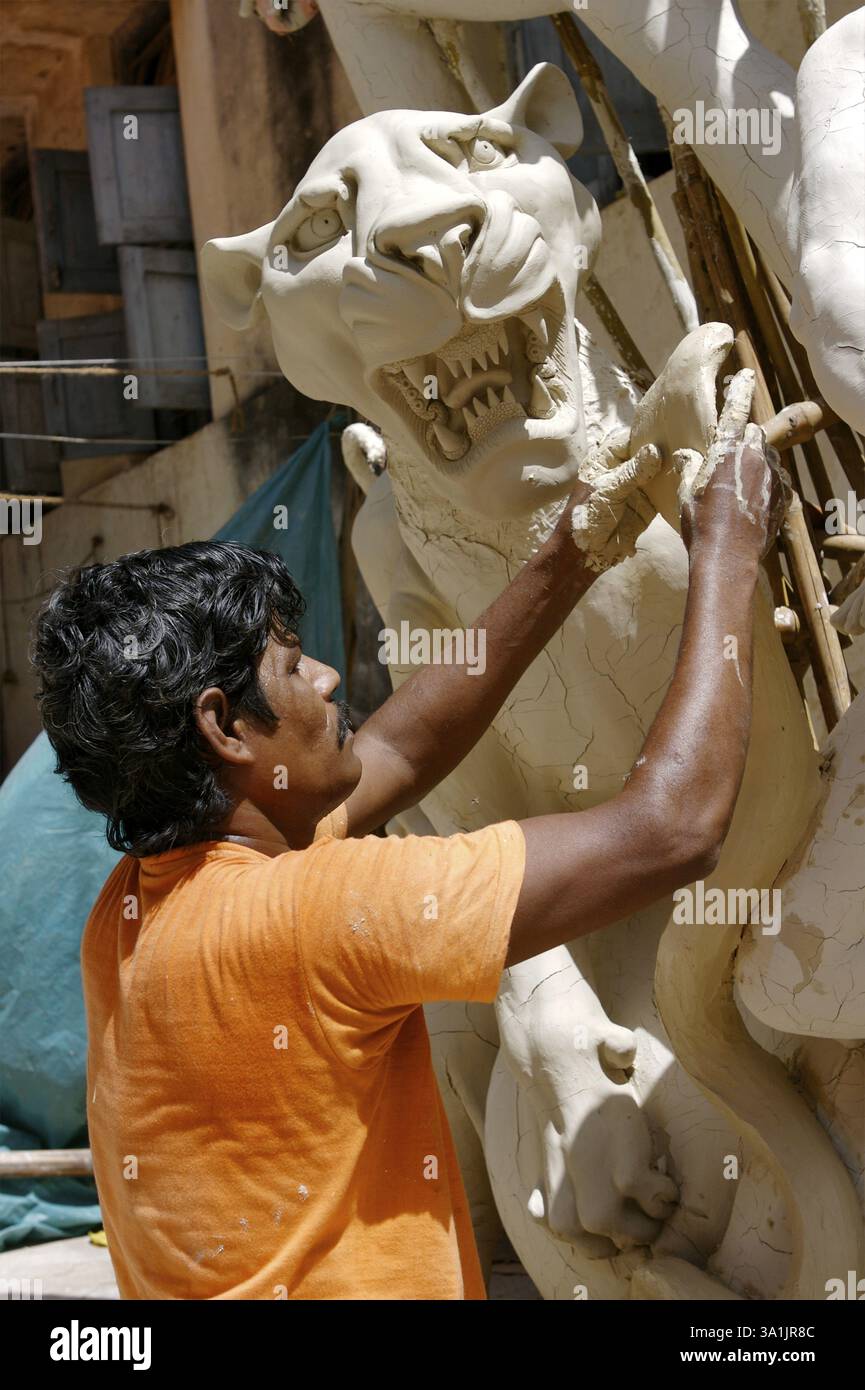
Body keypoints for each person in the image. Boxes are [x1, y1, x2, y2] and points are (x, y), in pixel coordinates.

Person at [32, 409, 784, 1300]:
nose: (327, 677)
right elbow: (672, 830)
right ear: (223, 725)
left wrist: (578, 545)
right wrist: (728, 552)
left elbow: (397, 754)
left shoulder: (134, 908)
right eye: (289, 663)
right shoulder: (314, 915)